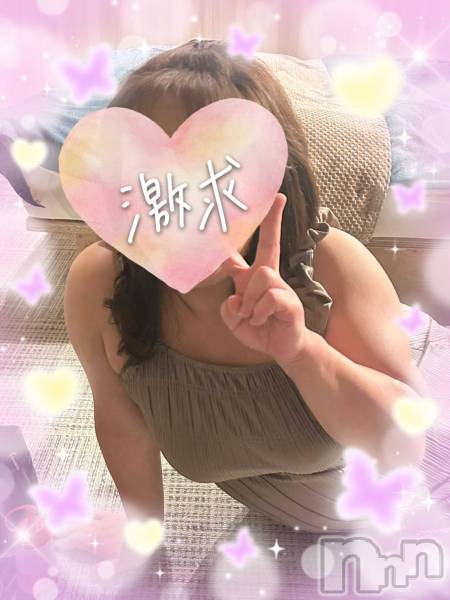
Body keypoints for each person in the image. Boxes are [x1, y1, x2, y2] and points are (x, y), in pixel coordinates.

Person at [63, 38, 434, 542]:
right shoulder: (101, 285)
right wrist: (144, 540)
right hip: (271, 494)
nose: (184, 208)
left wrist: (300, 350)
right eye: (152, 179)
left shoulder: (333, 266)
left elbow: (405, 446)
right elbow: (119, 417)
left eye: (215, 176)